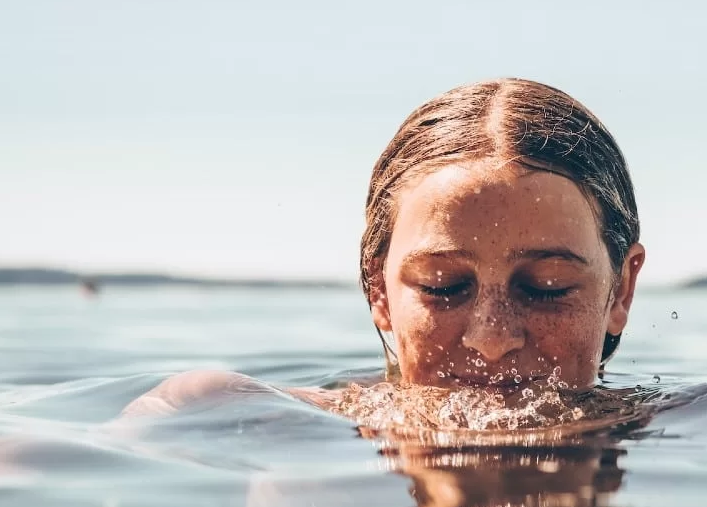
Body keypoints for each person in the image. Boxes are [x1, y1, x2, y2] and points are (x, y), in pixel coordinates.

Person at [118, 77, 647, 422]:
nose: (491, 338)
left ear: (620, 291)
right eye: (444, 286)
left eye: (545, 287)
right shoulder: (227, 413)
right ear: (379, 291)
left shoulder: (698, 426)